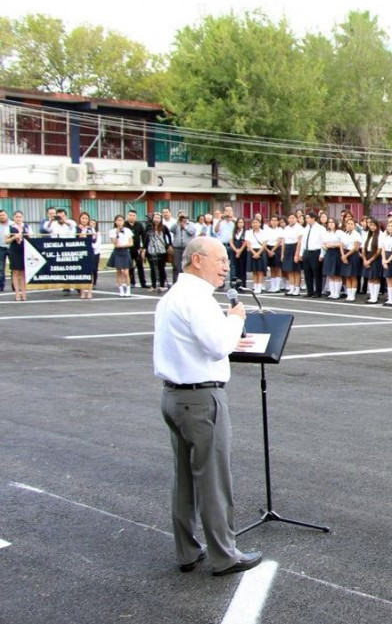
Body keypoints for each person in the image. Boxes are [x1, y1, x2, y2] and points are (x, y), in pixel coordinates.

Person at [153, 236, 262, 577]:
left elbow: (199, 342)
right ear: (197, 260)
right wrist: (235, 320)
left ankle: (187, 550)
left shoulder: (173, 296)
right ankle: (224, 554)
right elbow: (216, 346)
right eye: (220, 260)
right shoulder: (197, 298)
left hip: (174, 395)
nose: (226, 266)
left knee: (184, 478)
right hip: (201, 397)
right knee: (213, 479)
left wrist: (227, 333)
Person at [297, 213, 325, 298]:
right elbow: (303, 242)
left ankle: (318, 292)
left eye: (308, 218)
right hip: (307, 251)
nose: (306, 219)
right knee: (307, 273)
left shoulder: (320, 228)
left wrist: (322, 254)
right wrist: (301, 253)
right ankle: (310, 291)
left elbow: (322, 242)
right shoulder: (306, 228)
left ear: (313, 218)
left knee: (317, 273)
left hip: (315, 252)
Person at [144, 213, 173, 292]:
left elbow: (169, 236)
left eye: (158, 218)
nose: (156, 220)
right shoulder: (149, 227)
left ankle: (162, 285)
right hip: (151, 250)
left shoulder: (164, 227)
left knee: (161, 268)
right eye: (155, 218)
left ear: (161, 219)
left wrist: (169, 245)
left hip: (162, 250)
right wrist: (144, 249)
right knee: (152, 268)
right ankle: (153, 286)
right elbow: (145, 238)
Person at [5, 211, 31, 301]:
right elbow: (6, 241)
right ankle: (17, 293)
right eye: (16, 216)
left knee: (23, 272)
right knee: (15, 272)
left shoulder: (27, 227)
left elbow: (32, 238)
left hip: (24, 250)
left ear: (22, 218)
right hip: (14, 250)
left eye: (20, 217)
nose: (18, 218)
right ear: (13, 218)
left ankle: (24, 293)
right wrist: (13, 237)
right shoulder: (10, 227)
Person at [109, 215, 134, 297]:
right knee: (119, 272)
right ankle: (121, 290)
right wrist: (117, 234)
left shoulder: (127, 230)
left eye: (121, 220)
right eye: (118, 220)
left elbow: (131, 243)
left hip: (125, 251)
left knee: (126, 272)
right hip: (117, 252)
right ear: (115, 221)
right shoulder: (112, 231)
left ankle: (128, 289)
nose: (120, 222)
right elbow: (115, 243)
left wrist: (123, 245)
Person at [76, 212, 99, 300]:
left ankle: (89, 291)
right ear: (80, 219)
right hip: (80, 251)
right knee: (82, 272)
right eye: (83, 218)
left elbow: (94, 240)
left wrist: (91, 234)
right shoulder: (76, 228)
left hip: (90, 251)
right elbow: (76, 239)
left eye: (86, 218)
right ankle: (82, 291)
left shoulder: (91, 229)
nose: (84, 220)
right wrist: (82, 232)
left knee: (90, 271)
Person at [169, 213, 197, 284]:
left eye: (184, 217)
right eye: (181, 217)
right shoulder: (176, 224)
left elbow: (192, 232)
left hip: (187, 248)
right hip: (177, 248)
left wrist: (184, 227)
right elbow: (171, 230)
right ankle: (176, 283)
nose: (182, 218)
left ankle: (187, 283)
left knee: (187, 265)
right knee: (176, 266)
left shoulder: (191, 224)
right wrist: (177, 222)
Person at [126, 209, 149, 289]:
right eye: (130, 215)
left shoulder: (139, 225)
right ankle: (132, 282)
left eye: (133, 215)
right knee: (129, 267)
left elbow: (143, 237)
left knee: (140, 266)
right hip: (127, 249)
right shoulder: (125, 225)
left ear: (136, 217)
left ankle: (143, 283)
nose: (132, 217)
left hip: (137, 249)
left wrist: (143, 248)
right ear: (128, 216)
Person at [0, 210, 9, 293]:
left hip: (12, 247)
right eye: (0, 215)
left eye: (3, 215)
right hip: (1, 248)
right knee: (1, 268)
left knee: (14, 267)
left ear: (7, 215)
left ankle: (15, 286)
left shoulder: (12, 224)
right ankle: (1, 286)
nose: (2, 217)